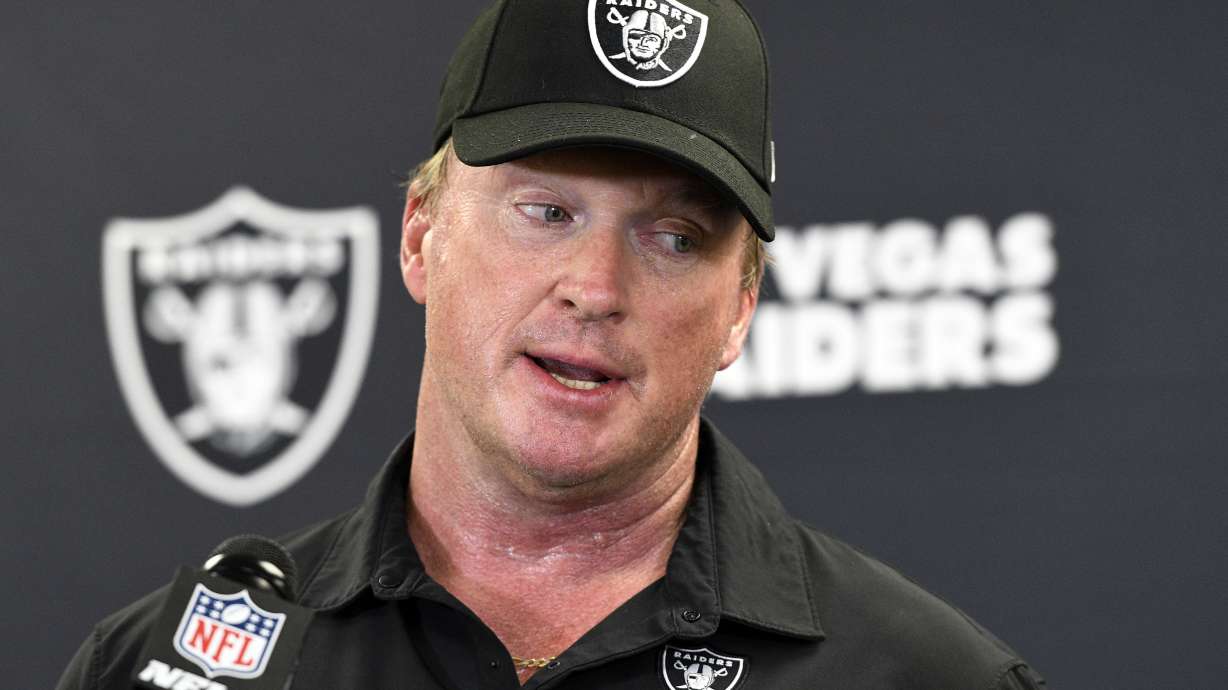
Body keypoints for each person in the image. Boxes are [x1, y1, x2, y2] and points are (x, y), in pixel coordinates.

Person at [58, 0, 1047, 688]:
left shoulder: (924, 678)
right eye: (545, 211)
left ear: (740, 309)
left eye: (674, 239)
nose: (596, 289)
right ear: (419, 236)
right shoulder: (167, 669)